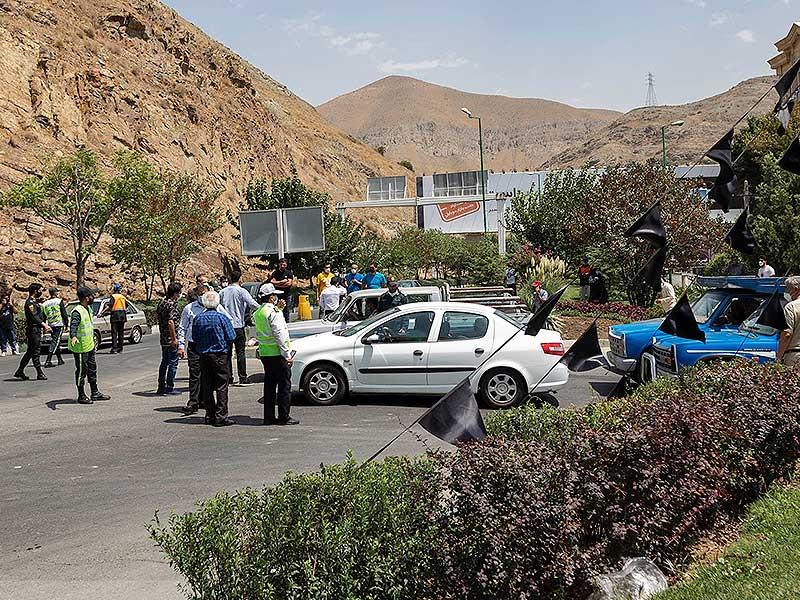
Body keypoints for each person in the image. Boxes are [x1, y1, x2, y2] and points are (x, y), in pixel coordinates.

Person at [177, 284, 232, 415]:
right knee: (195, 374)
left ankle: (206, 403)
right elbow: (182, 327)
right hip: (195, 345)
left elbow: (228, 320)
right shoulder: (189, 308)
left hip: (213, 346)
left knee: (209, 377)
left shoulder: (217, 307)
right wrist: (180, 346)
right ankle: (193, 402)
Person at [254, 283, 298, 426]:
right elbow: (280, 334)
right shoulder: (274, 313)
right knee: (284, 386)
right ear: (271, 297)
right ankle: (283, 416)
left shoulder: (258, 312)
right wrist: (287, 355)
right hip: (277, 354)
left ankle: (269, 416)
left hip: (265, 354)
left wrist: (277, 309)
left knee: (270, 385)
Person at [192, 291, 236, 427]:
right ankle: (221, 416)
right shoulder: (222, 318)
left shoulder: (198, 319)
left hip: (204, 355)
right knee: (222, 385)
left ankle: (210, 415)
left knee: (207, 385)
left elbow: (195, 338)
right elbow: (231, 336)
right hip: (220, 355)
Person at [68, 287, 111, 404]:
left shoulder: (88, 308)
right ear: (87, 298)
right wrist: (73, 336)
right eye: (92, 296)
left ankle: (95, 392)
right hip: (80, 347)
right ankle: (81, 395)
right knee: (82, 371)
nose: (94, 297)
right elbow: (73, 325)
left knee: (92, 369)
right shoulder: (77, 311)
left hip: (90, 345)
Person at [219, 270, 260, 386]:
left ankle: (228, 377)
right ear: (240, 279)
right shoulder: (242, 291)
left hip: (226, 326)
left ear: (230, 278)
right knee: (240, 352)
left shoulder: (222, 292)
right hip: (238, 326)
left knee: (227, 353)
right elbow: (253, 304)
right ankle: (242, 377)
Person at [14, 283, 51, 381]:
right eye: (40, 290)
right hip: (33, 330)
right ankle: (39, 373)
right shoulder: (30, 303)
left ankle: (20, 371)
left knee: (30, 352)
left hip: (36, 330)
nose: (41, 292)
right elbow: (34, 316)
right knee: (35, 352)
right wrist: (44, 324)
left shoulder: (33, 302)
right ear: (35, 291)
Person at [156, 282, 183, 396]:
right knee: (173, 363)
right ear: (175, 293)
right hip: (170, 339)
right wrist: (174, 339)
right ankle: (169, 387)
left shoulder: (161, 303)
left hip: (163, 338)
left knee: (164, 362)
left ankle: (161, 387)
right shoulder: (172, 304)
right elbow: (171, 322)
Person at [42, 287, 68, 368]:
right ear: (55, 293)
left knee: (56, 341)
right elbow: (64, 313)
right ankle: (48, 360)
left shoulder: (45, 304)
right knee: (55, 342)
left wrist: (44, 327)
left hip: (50, 325)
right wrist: (66, 324)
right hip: (58, 324)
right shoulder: (59, 301)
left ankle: (60, 359)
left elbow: (43, 317)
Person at [99, 283, 128, 354]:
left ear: (114, 289)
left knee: (114, 333)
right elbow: (126, 305)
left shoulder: (113, 296)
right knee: (121, 333)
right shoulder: (123, 297)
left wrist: (102, 312)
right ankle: (120, 349)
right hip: (123, 316)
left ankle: (114, 348)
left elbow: (110, 306)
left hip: (115, 316)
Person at [779, 276, 800, 367]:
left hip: (795, 356)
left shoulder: (791, 307)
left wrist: (779, 357)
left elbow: (786, 334)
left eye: (788, 289)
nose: (787, 293)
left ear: (796, 289)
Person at [269, 257, 294, 322]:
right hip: (277, 294)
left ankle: (287, 323)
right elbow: (272, 282)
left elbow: (288, 284)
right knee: (277, 309)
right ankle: (278, 322)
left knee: (286, 310)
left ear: (286, 265)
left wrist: (278, 284)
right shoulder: (275, 273)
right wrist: (282, 281)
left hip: (287, 295)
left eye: (284, 264)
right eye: (281, 264)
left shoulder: (289, 273)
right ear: (279, 264)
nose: (282, 266)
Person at [0, 291, 18, 356]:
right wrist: (2, 304)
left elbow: (16, 311)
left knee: (12, 338)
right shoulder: (1, 304)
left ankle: (14, 350)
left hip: (10, 324)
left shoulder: (10, 305)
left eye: (7, 298)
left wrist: (11, 305)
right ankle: (3, 350)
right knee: (3, 338)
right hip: (1, 325)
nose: (6, 299)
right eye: (5, 298)